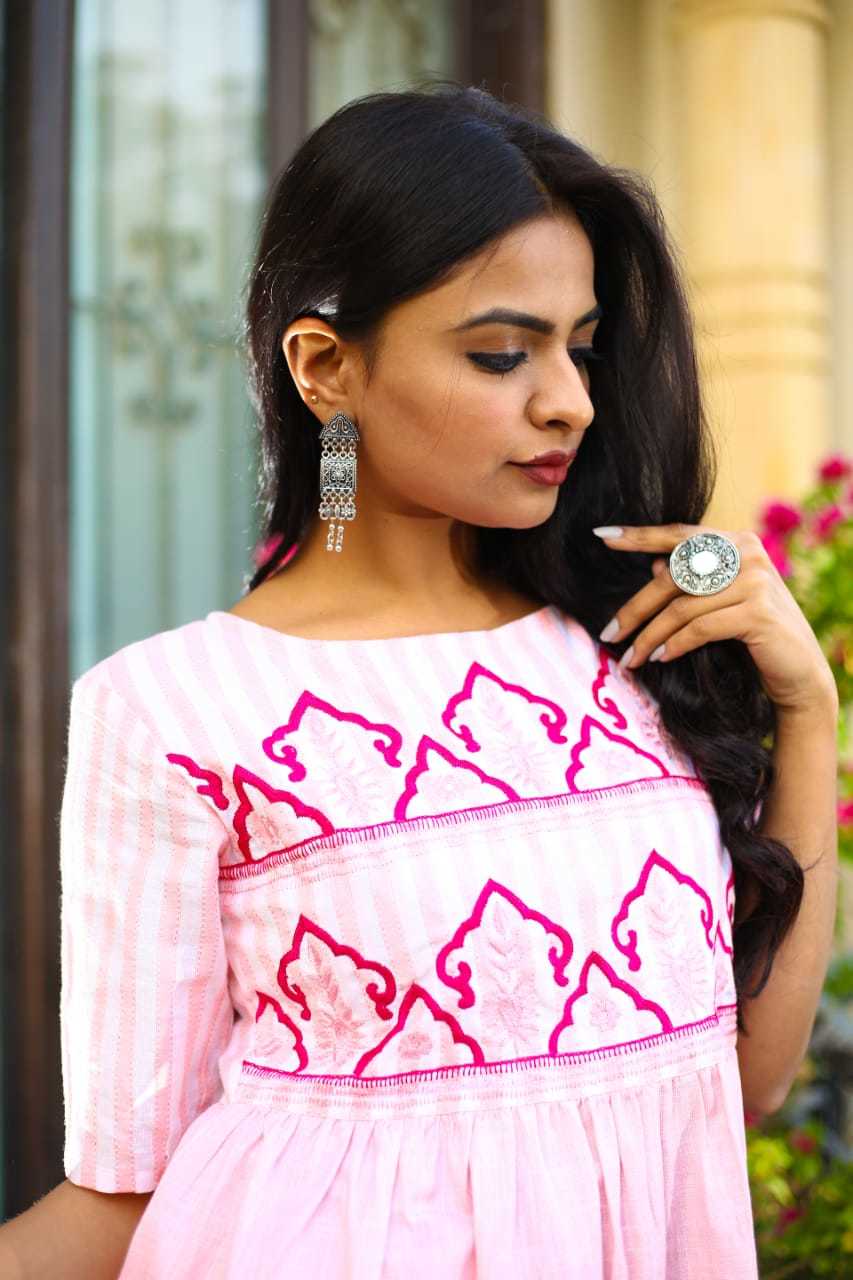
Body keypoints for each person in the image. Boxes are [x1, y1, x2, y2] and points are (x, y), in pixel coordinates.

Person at [3, 81, 839, 1279]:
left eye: (581, 348)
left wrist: (805, 709)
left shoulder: (629, 648)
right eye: (501, 352)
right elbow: (126, 1193)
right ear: (324, 366)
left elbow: (741, 1080)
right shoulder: (173, 710)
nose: (570, 401)